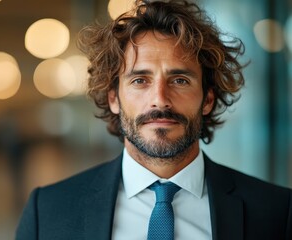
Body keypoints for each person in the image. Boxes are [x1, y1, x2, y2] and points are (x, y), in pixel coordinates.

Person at [16, 0, 292, 239]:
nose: (160, 99)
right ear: (114, 98)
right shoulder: (49, 210)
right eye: (140, 80)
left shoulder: (276, 212)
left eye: (180, 80)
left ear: (207, 99)